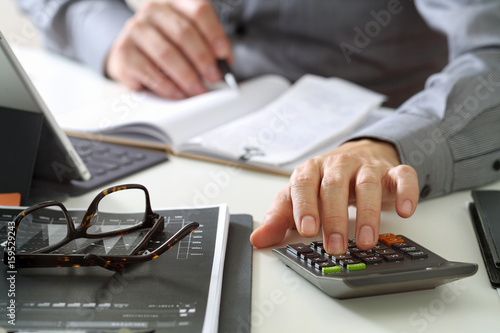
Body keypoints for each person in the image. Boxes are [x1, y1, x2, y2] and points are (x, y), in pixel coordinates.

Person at [16, 0, 500, 254]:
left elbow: (492, 51)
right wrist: (101, 25)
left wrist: (387, 146)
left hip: (361, 144)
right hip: (135, 110)